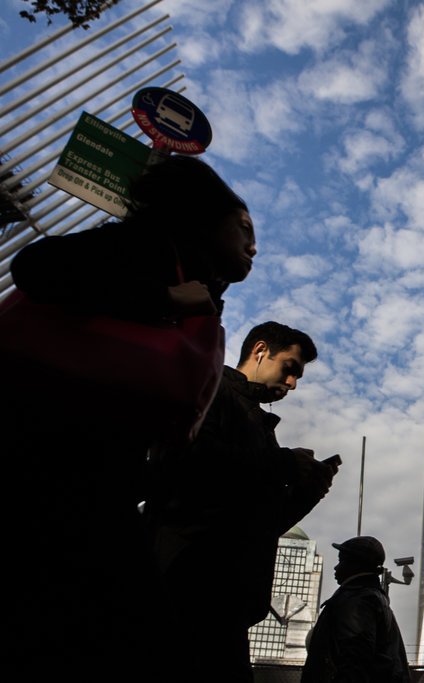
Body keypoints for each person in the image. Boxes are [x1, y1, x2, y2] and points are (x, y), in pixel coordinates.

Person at [3, 155, 255, 680]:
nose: (254, 245)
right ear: (206, 217)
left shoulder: (186, 278)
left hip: (81, 481)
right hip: (41, 471)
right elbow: (35, 266)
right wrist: (163, 296)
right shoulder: (148, 251)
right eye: (244, 227)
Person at [146, 321, 339, 682]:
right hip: (190, 586)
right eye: (290, 369)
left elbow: (258, 524)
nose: (293, 384)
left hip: (223, 600)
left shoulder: (255, 421)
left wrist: (306, 493)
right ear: (260, 350)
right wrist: (283, 463)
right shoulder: (211, 387)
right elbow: (181, 461)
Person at [302, 536, 412, 683]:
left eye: (341, 561)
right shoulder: (372, 598)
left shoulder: (357, 601)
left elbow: (355, 661)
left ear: (355, 564)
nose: (336, 567)